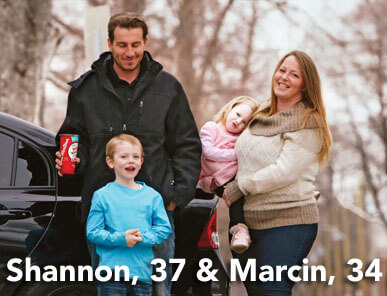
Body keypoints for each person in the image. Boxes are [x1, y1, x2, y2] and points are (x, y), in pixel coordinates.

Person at [55, 13, 202, 295]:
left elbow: (188, 146)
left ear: (146, 41)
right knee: (110, 289)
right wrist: (72, 159)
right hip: (105, 216)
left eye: (136, 44)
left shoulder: (168, 88)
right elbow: (72, 138)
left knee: (158, 290)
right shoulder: (86, 89)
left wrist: (174, 198)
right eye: (122, 45)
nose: (130, 52)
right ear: (109, 43)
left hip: (153, 216)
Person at [223, 50, 332, 295]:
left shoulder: (308, 122)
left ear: (305, 86)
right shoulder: (259, 114)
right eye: (282, 70)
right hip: (247, 224)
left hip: (288, 223)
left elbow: (284, 171)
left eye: (294, 74)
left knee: (273, 290)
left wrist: (241, 186)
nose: (284, 77)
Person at [87, 134, 171, 296]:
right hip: (111, 277)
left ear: (141, 162)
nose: (131, 160)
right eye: (124, 156)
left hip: (142, 276)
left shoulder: (152, 196)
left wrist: (143, 238)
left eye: (136, 156)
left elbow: (163, 228)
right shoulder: (102, 195)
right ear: (110, 162)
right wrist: (121, 238)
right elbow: (93, 232)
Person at [197, 96, 258, 254]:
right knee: (235, 196)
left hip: (234, 177)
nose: (238, 121)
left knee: (245, 193)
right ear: (229, 108)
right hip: (213, 179)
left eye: (244, 122)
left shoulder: (241, 139)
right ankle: (238, 230)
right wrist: (235, 155)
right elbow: (208, 152)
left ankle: (289, 193)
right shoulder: (211, 128)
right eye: (237, 114)